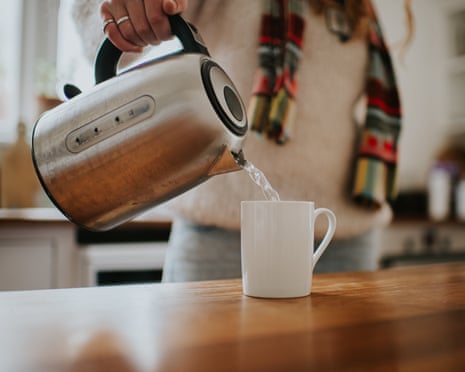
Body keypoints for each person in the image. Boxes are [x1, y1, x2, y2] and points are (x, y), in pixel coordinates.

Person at [72, 0, 411, 281]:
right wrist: (122, 10)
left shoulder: (358, 6)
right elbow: (97, 24)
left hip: (348, 240)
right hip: (219, 242)